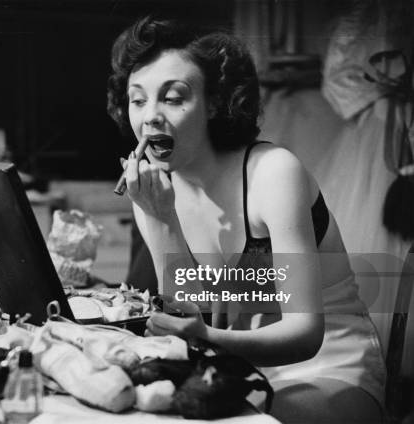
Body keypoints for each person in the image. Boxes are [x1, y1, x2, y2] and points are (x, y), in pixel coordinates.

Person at [107, 16, 385, 423]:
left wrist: (209, 339)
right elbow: (193, 312)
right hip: (235, 370)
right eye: (138, 99)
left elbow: (306, 335)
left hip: (329, 368)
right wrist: (163, 219)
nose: (150, 116)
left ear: (214, 103)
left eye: (173, 97)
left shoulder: (273, 173)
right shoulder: (153, 191)